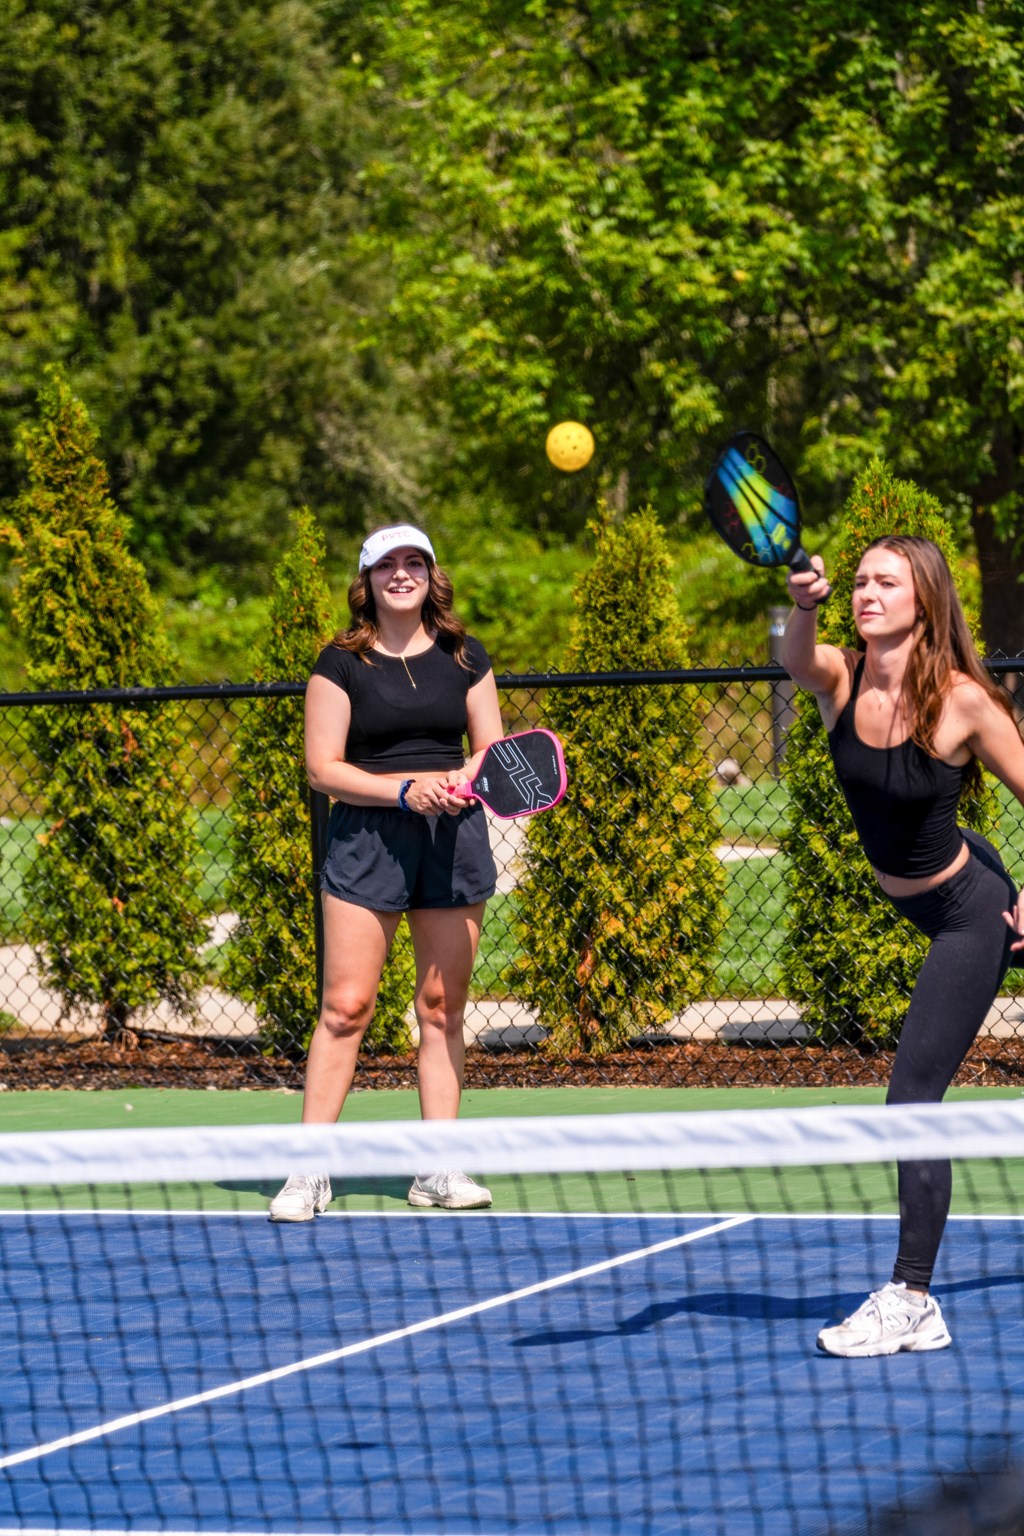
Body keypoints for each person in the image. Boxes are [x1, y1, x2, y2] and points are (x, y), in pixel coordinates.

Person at [782, 535, 1024, 1357]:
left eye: (886, 581)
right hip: (936, 900)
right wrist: (802, 601)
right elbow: (791, 656)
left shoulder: (962, 701)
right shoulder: (840, 678)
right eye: (857, 582)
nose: (866, 593)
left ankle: (912, 1298)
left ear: (926, 597)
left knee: (912, 1102)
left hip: (968, 910)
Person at [269, 523, 503, 1221]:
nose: (401, 574)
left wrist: (460, 778)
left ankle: (438, 1166)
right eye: (387, 565)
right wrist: (405, 789)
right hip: (368, 837)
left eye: (415, 563)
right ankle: (309, 1172)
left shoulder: (467, 657)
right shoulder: (338, 664)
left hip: (452, 838)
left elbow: (491, 751)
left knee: (441, 1009)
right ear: (366, 581)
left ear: (433, 576)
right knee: (346, 1008)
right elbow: (324, 768)